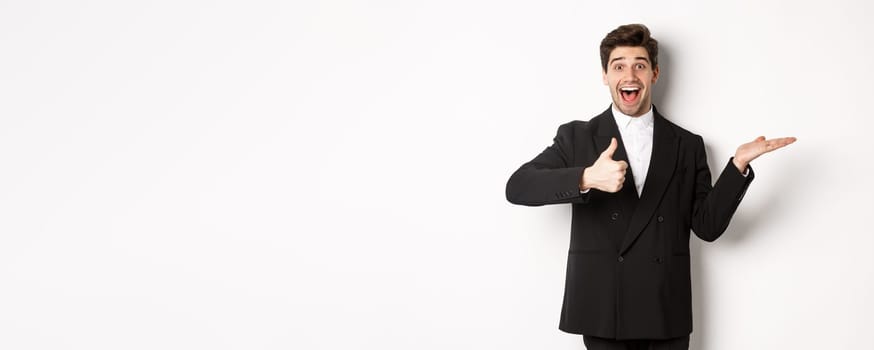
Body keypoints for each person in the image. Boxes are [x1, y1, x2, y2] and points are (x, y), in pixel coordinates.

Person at [505, 24, 795, 349]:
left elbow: (707, 227)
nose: (630, 75)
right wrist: (585, 178)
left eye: (639, 65)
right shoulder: (577, 137)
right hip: (604, 312)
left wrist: (737, 166)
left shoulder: (687, 145)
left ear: (654, 73)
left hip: (664, 311)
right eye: (619, 66)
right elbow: (518, 187)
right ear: (605, 75)